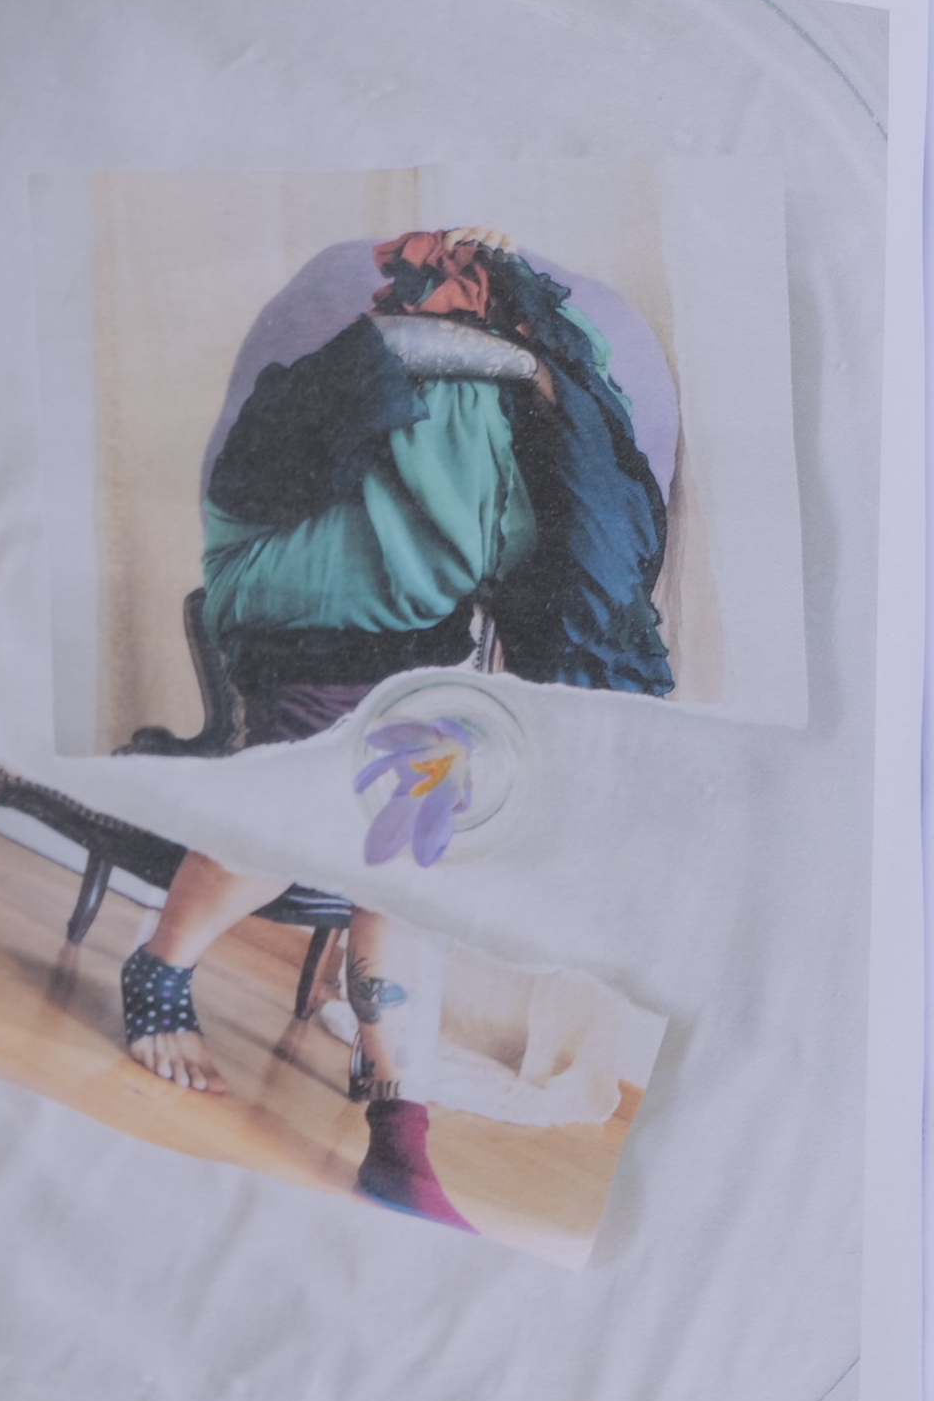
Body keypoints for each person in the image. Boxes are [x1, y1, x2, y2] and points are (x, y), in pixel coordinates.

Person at [112, 227, 673, 1228]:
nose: (475, 299)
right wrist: (519, 364)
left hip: (415, 651)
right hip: (304, 616)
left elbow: (563, 547)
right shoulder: (371, 364)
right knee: (325, 810)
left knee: (413, 843)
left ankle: (398, 1128)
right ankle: (160, 969)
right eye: (460, 285)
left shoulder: (528, 416)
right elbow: (362, 382)